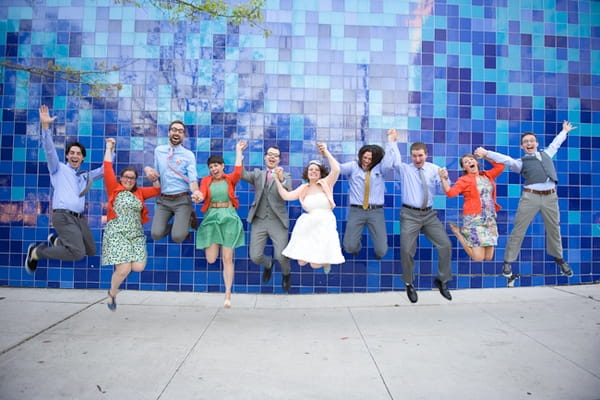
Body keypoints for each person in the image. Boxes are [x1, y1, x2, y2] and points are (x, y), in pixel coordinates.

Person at [474, 121, 576, 278]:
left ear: (536, 143)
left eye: (531, 141)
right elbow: (505, 159)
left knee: (554, 229)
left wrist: (564, 131)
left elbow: (556, 143)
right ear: (522, 146)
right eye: (525, 142)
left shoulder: (547, 154)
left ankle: (559, 259)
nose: (529, 143)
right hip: (530, 197)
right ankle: (508, 261)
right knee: (519, 229)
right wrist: (487, 153)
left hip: (550, 197)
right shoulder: (520, 163)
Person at [25, 105, 104, 274]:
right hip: (63, 216)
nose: (75, 156)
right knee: (77, 253)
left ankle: (58, 243)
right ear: (67, 155)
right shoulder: (58, 169)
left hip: (79, 219)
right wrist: (45, 126)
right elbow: (49, 150)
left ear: (83, 158)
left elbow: (105, 169)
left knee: (91, 250)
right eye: (72, 153)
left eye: (78, 154)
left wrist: (111, 148)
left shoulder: (84, 176)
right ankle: (37, 252)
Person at [386, 128, 452, 303]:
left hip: (429, 215)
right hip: (409, 215)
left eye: (420, 156)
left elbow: (445, 191)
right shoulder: (405, 169)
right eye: (414, 156)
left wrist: (445, 178)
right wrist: (392, 141)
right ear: (411, 156)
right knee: (407, 250)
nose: (417, 159)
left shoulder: (435, 169)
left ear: (426, 155)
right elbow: (395, 159)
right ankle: (409, 283)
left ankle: (442, 280)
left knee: (445, 245)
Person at [102, 138, 161, 311]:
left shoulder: (140, 193)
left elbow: (157, 190)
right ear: (121, 178)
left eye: (132, 178)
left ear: (135, 180)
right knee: (124, 269)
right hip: (117, 233)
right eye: (126, 177)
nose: (129, 180)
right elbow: (107, 168)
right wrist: (109, 148)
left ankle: (114, 289)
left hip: (135, 235)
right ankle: (112, 293)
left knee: (138, 267)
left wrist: (155, 178)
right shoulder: (114, 188)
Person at [273, 142, 345, 273]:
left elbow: (337, 170)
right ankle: (323, 259)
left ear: (321, 173)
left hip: (325, 222)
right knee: (301, 262)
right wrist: (276, 180)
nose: (313, 171)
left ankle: (326, 261)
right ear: (307, 173)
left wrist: (326, 152)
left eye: (317, 170)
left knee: (315, 265)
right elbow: (286, 196)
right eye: (311, 169)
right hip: (309, 224)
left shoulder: (326, 183)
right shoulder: (303, 188)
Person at [195, 141, 247, 308]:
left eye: (216, 165)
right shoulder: (206, 181)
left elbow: (238, 170)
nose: (213, 169)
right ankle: (212, 242)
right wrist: (197, 197)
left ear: (223, 166)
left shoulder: (230, 179)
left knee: (227, 258)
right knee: (211, 259)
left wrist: (238, 151)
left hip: (229, 218)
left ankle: (227, 294)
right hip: (212, 218)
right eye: (211, 167)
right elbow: (202, 194)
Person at [241, 146, 293, 292]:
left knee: (281, 256)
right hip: (259, 219)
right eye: (270, 154)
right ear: (265, 157)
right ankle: (268, 264)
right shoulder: (258, 174)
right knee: (255, 256)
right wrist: (240, 154)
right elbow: (241, 174)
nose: (272, 157)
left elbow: (288, 190)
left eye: (275, 155)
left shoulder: (286, 176)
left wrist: (280, 178)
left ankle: (286, 274)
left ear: (279, 159)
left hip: (277, 221)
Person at [439, 154, 505, 262]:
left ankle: (461, 233)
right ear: (464, 168)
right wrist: (443, 179)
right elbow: (451, 193)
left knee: (488, 257)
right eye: (466, 162)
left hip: (489, 218)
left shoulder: (487, 176)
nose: (469, 162)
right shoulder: (464, 180)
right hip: (474, 218)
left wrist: (485, 155)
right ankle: (458, 233)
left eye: (471, 160)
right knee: (478, 258)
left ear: (476, 162)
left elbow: (500, 166)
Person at [144, 121, 202, 243]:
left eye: (180, 131)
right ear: (169, 132)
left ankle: (185, 222)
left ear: (183, 136)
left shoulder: (188, 155)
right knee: (156, 234)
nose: (177, 133)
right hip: (164, 200)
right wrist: (148, 171)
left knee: (178, 237)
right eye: (174, 130)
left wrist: (196, 191)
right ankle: (179, 224)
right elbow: (156, 175)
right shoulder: (159, 151)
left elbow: (192, 179)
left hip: (182, 200)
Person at [340, 144, 393, 259]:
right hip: (356, 210)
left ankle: (378, 253)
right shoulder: (353, 166)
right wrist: (326, 155)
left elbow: (389, 164)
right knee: (349, 247)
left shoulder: (380, 169)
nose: (367, 161)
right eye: (365, 158)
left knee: (381, 251)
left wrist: (391, 142)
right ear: (360, 156)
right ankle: (356, 244)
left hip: (376, 211)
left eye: (370, 159)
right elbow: (338, 168)